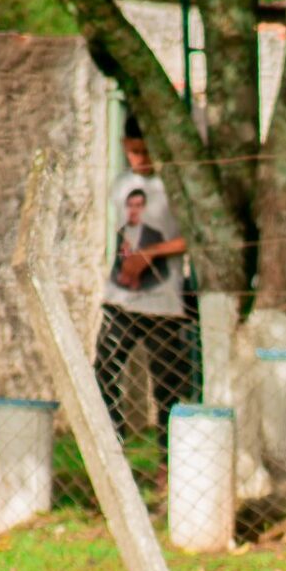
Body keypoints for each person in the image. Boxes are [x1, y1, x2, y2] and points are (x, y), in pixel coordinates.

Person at [101, 117, 192, 434]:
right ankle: (114, 444)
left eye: (146, 151)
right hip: (120, 299)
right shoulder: (121, 185)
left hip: (162, 304)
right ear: (126, 146)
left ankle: (167, 459)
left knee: (167, 386)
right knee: (104, 369)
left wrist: (151, 254)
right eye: (134, 151)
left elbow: (192, 237)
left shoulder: (175, 187)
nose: (140, 159)